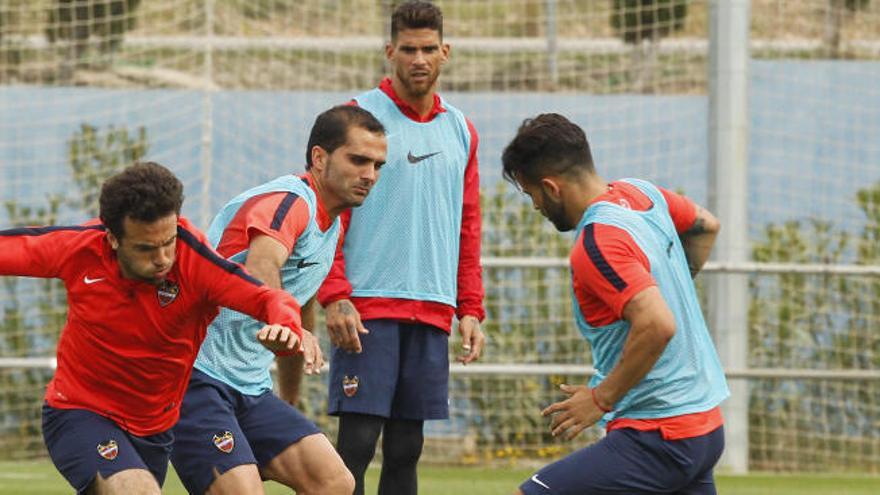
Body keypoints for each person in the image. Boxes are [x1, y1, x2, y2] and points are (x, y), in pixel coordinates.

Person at [0, 162, 304, 495]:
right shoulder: (80, 248)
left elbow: (268, 299)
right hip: (78, 411)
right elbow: (11, 250)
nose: (162, 258)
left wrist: (286, 326)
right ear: (112, 238)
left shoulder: (196, 262)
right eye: (146, 248)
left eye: (168, 242)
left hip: (155, 430)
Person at [501, 113, 729, 495]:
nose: (535, 207)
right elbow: (706, 226)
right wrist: (667, 286)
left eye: (532, 195)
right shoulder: (642, 194)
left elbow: (658, 324)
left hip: (658, 435)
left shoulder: (597, 241)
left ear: (551, 188)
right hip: (704, 427)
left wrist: (599, 399)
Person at [170, 105, 387, 495]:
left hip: (250, 387)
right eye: (358, 160)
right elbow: (262, 264)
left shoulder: (331, 224)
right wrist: (289, 326)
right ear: (319, 158)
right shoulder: (290, 201)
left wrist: (288, 399)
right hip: (194, 374)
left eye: (377, 165)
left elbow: (298, 304)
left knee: (335, 483)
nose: (369, 175)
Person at [316, 2, 486, 494]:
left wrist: (470, 306)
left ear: (445, 52)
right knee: (357, 445)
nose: (418, 59)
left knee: (408, 447)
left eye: (428, 49)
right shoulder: (356, 119)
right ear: (390, 52)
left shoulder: (461, 129)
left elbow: (468, 225)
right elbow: (324, 209)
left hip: (432, 307)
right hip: (366, 303)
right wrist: (334, 293)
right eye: (408, 49)